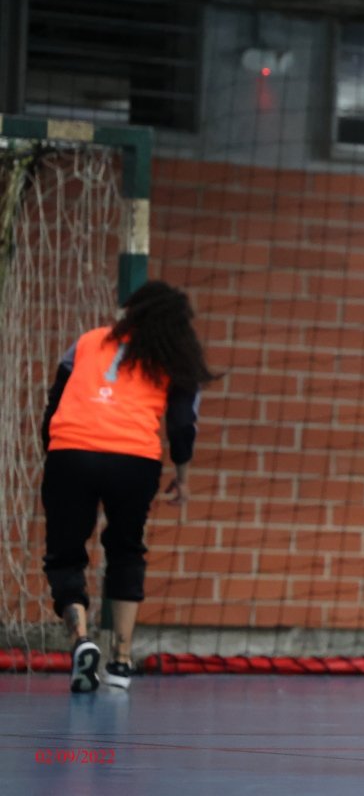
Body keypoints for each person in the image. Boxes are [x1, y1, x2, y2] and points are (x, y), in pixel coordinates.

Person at [40, 280, 215, 693]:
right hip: (134, 459)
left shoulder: (89, 340)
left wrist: (56, 454)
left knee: (65, 553)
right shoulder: (174, 355)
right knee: (126, 549)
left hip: (71, 452)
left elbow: (54, 402)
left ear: (132, 311)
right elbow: (182, 425)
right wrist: (182, 478)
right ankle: (120, 661)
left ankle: (81, 640)